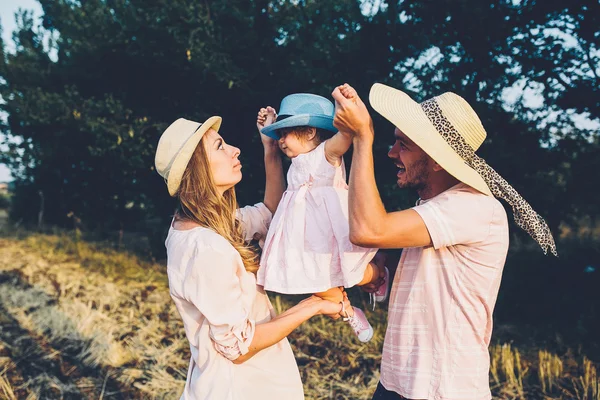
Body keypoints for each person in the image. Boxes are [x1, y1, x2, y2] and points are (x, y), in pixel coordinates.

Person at [331, 83, 557, 400]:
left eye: (403, 145)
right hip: (397, 381)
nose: (392, 153)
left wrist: (362, 138)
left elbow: (369, 229)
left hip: (441, 389)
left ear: (436, 159)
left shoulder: (474, 206)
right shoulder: (432, 209)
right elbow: (432, 276)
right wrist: (385, 266)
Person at [154, 115, 348, 400]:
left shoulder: (208, 225)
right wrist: (315, 304)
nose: (234, 150)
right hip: (241, 387)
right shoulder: (206, 246)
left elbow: (270, 214)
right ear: (196, 170)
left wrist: (270, 148)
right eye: (220, 146)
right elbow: (237, 348)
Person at [255, 94, 390, 343]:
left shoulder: (326, 153)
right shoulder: (295, 163)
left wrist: (345, 112)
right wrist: (269, 135)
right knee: (309, 279)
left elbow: (345, 138)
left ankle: (378, 271)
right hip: (302, 238)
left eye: (285, 133)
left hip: (328, 231)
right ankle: (349, 310)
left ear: (308, 133)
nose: (281, 141)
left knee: (355, 273)